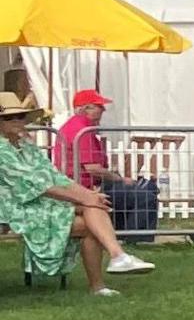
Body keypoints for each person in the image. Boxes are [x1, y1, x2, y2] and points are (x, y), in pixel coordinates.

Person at [2, 90, 154, 289]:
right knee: (124, 201)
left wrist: (88, 196)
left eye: (20, 116)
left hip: (47, 199)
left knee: (97, 206)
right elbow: (34, 184)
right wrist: (87, 196)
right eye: (8, 117)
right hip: (16, 207)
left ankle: (114, 263)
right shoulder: (3, 150)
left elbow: (54, 176)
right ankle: (113, 264)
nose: (16, 121)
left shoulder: (26, 146)